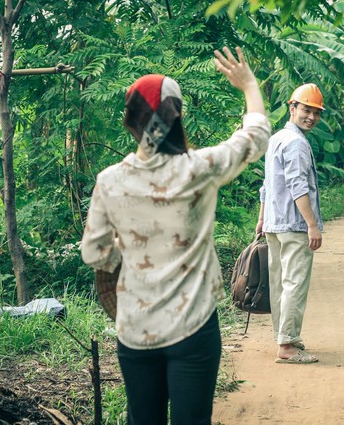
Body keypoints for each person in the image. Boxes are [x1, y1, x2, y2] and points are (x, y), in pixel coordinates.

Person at [80, 46, 270, 424]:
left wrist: (125, 254)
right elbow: (256, 136)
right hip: (193, 327)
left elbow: (94, 253)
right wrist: (248, 85)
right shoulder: (199, 169)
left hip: (135, 331)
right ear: (177, 116)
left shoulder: (110, 182)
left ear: (130, 122)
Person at [256, 83, 325, 364]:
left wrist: (261, 219)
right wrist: (312, 224)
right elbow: (298, 186)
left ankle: (285, 337)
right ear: (292, 107)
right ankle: (287, 346)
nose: (311, 117)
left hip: (274, 224)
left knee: (280, 283)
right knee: (294, 283)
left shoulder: (277, 138)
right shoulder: (296, 142)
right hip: (294, 225)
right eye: (306, 110)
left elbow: (267, 185)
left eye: (316, 112)